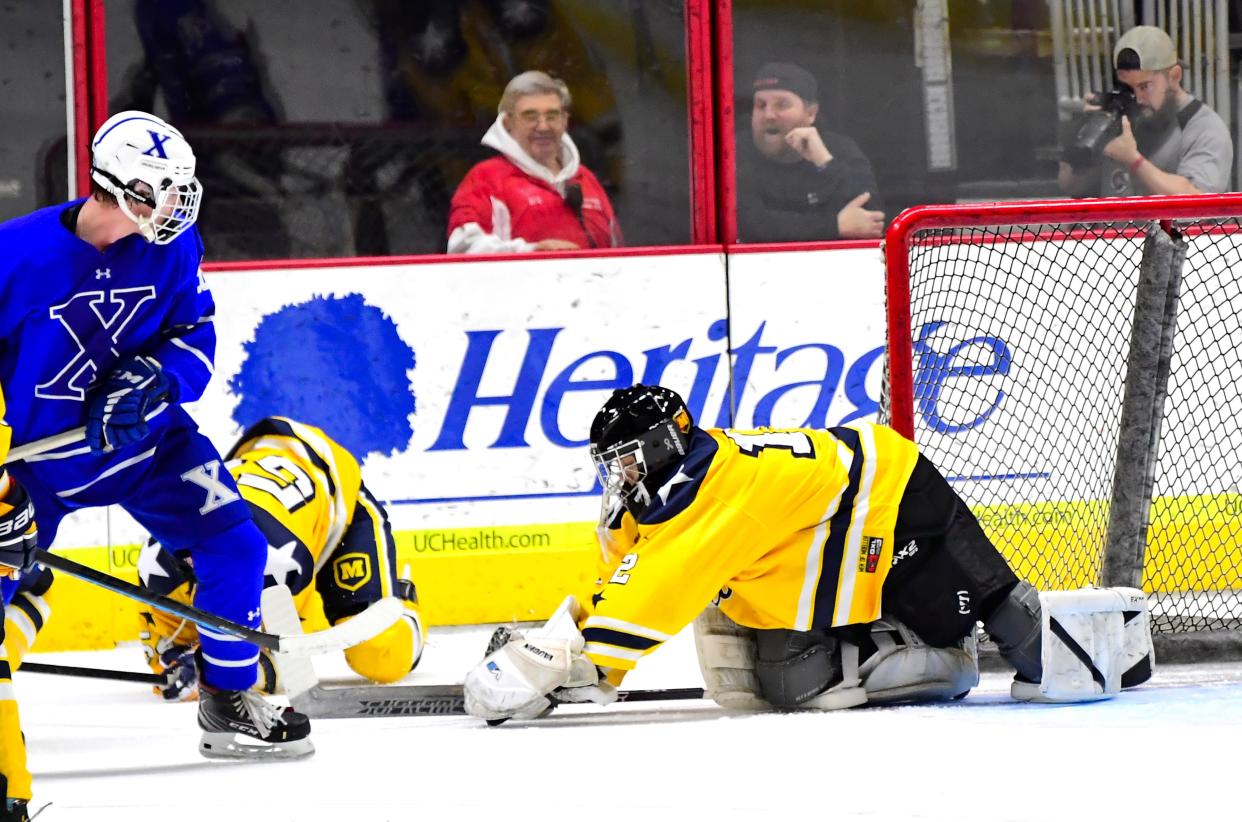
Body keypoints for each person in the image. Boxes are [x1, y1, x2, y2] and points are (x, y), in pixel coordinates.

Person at [461, 384, 1154, 722]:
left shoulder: (719, 498)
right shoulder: (671, 485)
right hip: (839, 506)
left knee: (1001, 626)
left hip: (892, 496)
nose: (620, 476)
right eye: (611, 464)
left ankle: (951, 657)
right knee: (769, 680)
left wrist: (583, 662)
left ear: (661, 446)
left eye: (626, 461)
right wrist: (566, 635)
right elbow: (630, 573)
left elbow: (656, 590)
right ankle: (891, 635)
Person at [0, 110, 314, 815]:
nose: (175, 206)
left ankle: (228, 698)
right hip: (33, 466)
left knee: (235, 546)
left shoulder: (173, 248)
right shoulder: (12, 255)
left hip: (149, 448)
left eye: (180, 191)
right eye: (159, 192)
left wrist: (159, 378)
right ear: (111, 187)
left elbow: (194, 332)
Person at [133, 416, 426, 700]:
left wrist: (213, 669)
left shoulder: (275, 563)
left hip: (331, 493)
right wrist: (181, 666)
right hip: (265, 481)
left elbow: (289, 660)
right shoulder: (157, 572)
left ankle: (399, 597)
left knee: (380, 655)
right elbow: (166, 662)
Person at [447, 70, 622, 253]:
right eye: (530, 116)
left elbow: (617, 250)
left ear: (565, 121)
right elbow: (462, 248)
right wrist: (531, 252)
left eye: (552, 115)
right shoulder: (486, 178)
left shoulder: (586, 179)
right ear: (508, 123)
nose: (543, 126)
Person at [1059, 26, 1233, 197]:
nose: (1138, 98)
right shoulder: (1120, 117)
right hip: (1118, 225)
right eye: (1127, 87)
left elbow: (1197, 201)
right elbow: (1070, 186)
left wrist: (1133, 160)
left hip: (1170, 227)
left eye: (1145, 87)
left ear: (1174, 76)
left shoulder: (1205, 128)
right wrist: (1087, 136)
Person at [737, 62, 885, 242]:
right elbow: (747, 224)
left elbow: (872, 219)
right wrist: (834, 226)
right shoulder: (734, 152)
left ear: (811, 114)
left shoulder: (839, 149)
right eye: (760, 105)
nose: (768, 115)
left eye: (781, 105)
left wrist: (824, 162)